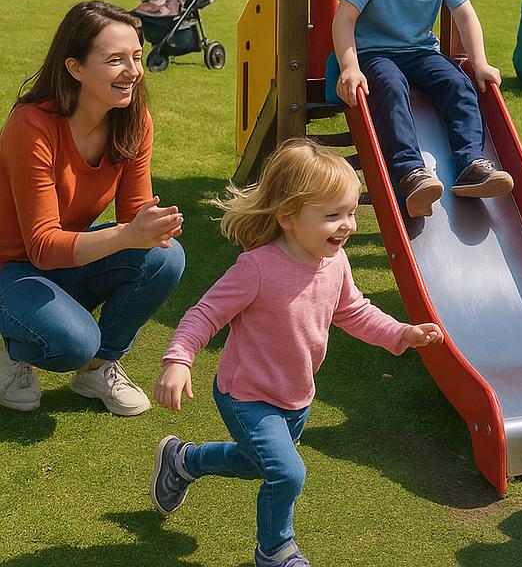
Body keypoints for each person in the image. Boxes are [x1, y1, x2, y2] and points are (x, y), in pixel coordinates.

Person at [151, 137, 443, 567]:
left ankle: (183, 460)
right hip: (247, 396)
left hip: (296, 396)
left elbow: (354, 311)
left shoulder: (336, 263)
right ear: (288, 217)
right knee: (287, 472)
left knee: (256, 464)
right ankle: (275, 550)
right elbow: (204, 314)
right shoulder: (257, 268)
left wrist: (402, 333)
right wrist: (178, 360)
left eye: (350, 212)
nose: (346, 225)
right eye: (332, 215)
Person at [0, 1, 185, 415]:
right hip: (11, 267)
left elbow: (134, 216)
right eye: (115, 60)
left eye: (136, 57)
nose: (133, 71)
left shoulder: (134, 120)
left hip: (65, 260)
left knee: (165, 257)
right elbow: (42, 248)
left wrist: (152, 227)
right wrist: (129, 234)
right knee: (72, 342)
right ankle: (15, 352)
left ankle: (98, 370)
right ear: (75, 68)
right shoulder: (31, 126)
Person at [332, 0, 514, 218]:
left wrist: (480, 62)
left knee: (458, 84)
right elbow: (344, 19)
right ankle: (410, 173)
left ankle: (471, 164)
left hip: (420, 51)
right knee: (389, 85)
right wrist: (349, 66)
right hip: (376, 52)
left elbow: (465, 14)